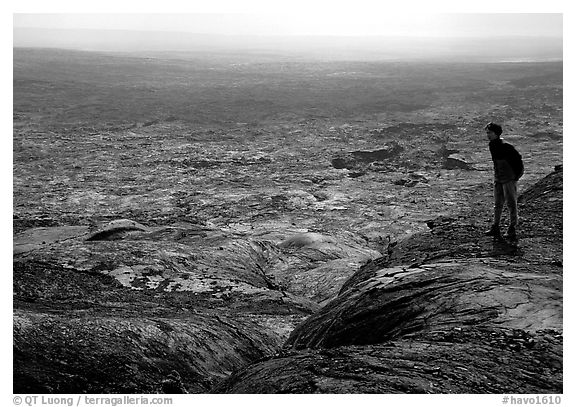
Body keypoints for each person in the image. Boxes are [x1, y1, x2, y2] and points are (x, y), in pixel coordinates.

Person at [484, 122, 524, 240]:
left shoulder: (506, 147)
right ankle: (495, 226)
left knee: (511, 203)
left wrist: (516, 176)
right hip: (499, 178)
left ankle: (512, 227)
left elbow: (518, 162)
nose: (488, 135)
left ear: (496, 133)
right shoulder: (492, 145)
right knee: (498, 203)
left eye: (490, 133)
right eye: (487, 133)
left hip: (508, 178)